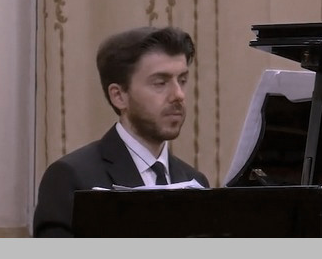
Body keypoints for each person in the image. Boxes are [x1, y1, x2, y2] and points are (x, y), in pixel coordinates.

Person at [32, 26, 210, 237]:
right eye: (160, 83)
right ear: (119, 96)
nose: (178, 95)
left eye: (182, 80)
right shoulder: (71, 178)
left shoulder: (195, 182)